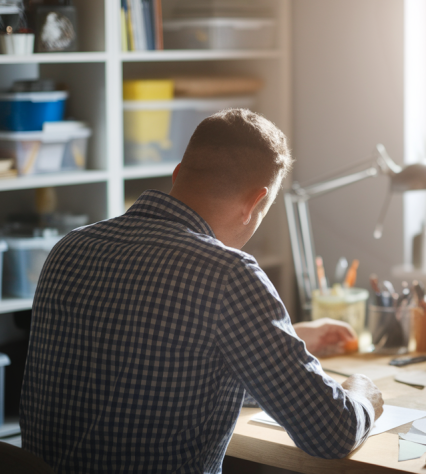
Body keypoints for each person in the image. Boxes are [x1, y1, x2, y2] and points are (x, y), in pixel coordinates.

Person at [20, 109, 384, 473]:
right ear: (253, 204)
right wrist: (362, 392)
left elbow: (153, 381)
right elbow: (330, 432)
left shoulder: (70, 248)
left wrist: (284, 342)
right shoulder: (227, 272)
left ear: (177, 173)